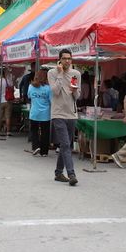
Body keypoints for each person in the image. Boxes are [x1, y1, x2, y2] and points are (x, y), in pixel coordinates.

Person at [48, 49, 82, 186]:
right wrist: (61, 74)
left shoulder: (76, 74)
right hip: (58, 114)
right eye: (64, 58)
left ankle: (58, 172)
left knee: (65, 144)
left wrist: (75, 91)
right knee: (66, 144)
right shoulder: (52, 73)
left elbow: (77, 96)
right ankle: (71, 173)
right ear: (60, 60)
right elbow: (55, 91)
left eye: (69, 58)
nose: (67, 61)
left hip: (71, 114)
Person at [27, 69, 52, 156]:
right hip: (45, 114)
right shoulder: (48, 88)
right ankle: (44, 151)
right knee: (45, 132)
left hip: (34, 112)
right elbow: (51, 100)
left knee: (34, 131)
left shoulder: (31, 86)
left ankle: (36, 146)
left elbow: (29, 96)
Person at [0, 72, 13, 138]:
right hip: (7, 101)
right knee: (7, 117)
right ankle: (8, 132)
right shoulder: (7, 81)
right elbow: (12, 88)